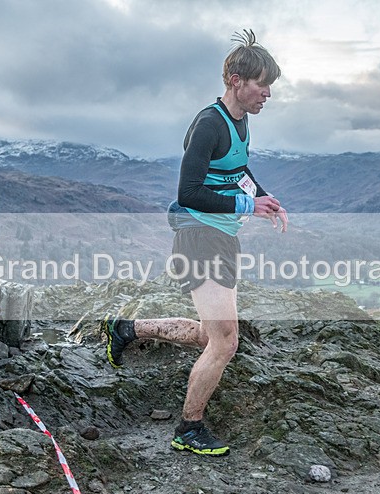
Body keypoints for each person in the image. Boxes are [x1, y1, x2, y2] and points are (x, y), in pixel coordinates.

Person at [101, 30, 288, 457]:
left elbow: (238, 170)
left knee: (210, 334)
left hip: (221, 238)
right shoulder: (209, 124)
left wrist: (263, 197)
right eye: (263, 83)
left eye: (271, 85)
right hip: (198, 238)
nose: (268, 93)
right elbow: (188, 193)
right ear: (237, 80)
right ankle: (189, 427)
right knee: (226, 341)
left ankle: (126, 329)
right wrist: (247, 203)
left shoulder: (240, 123)